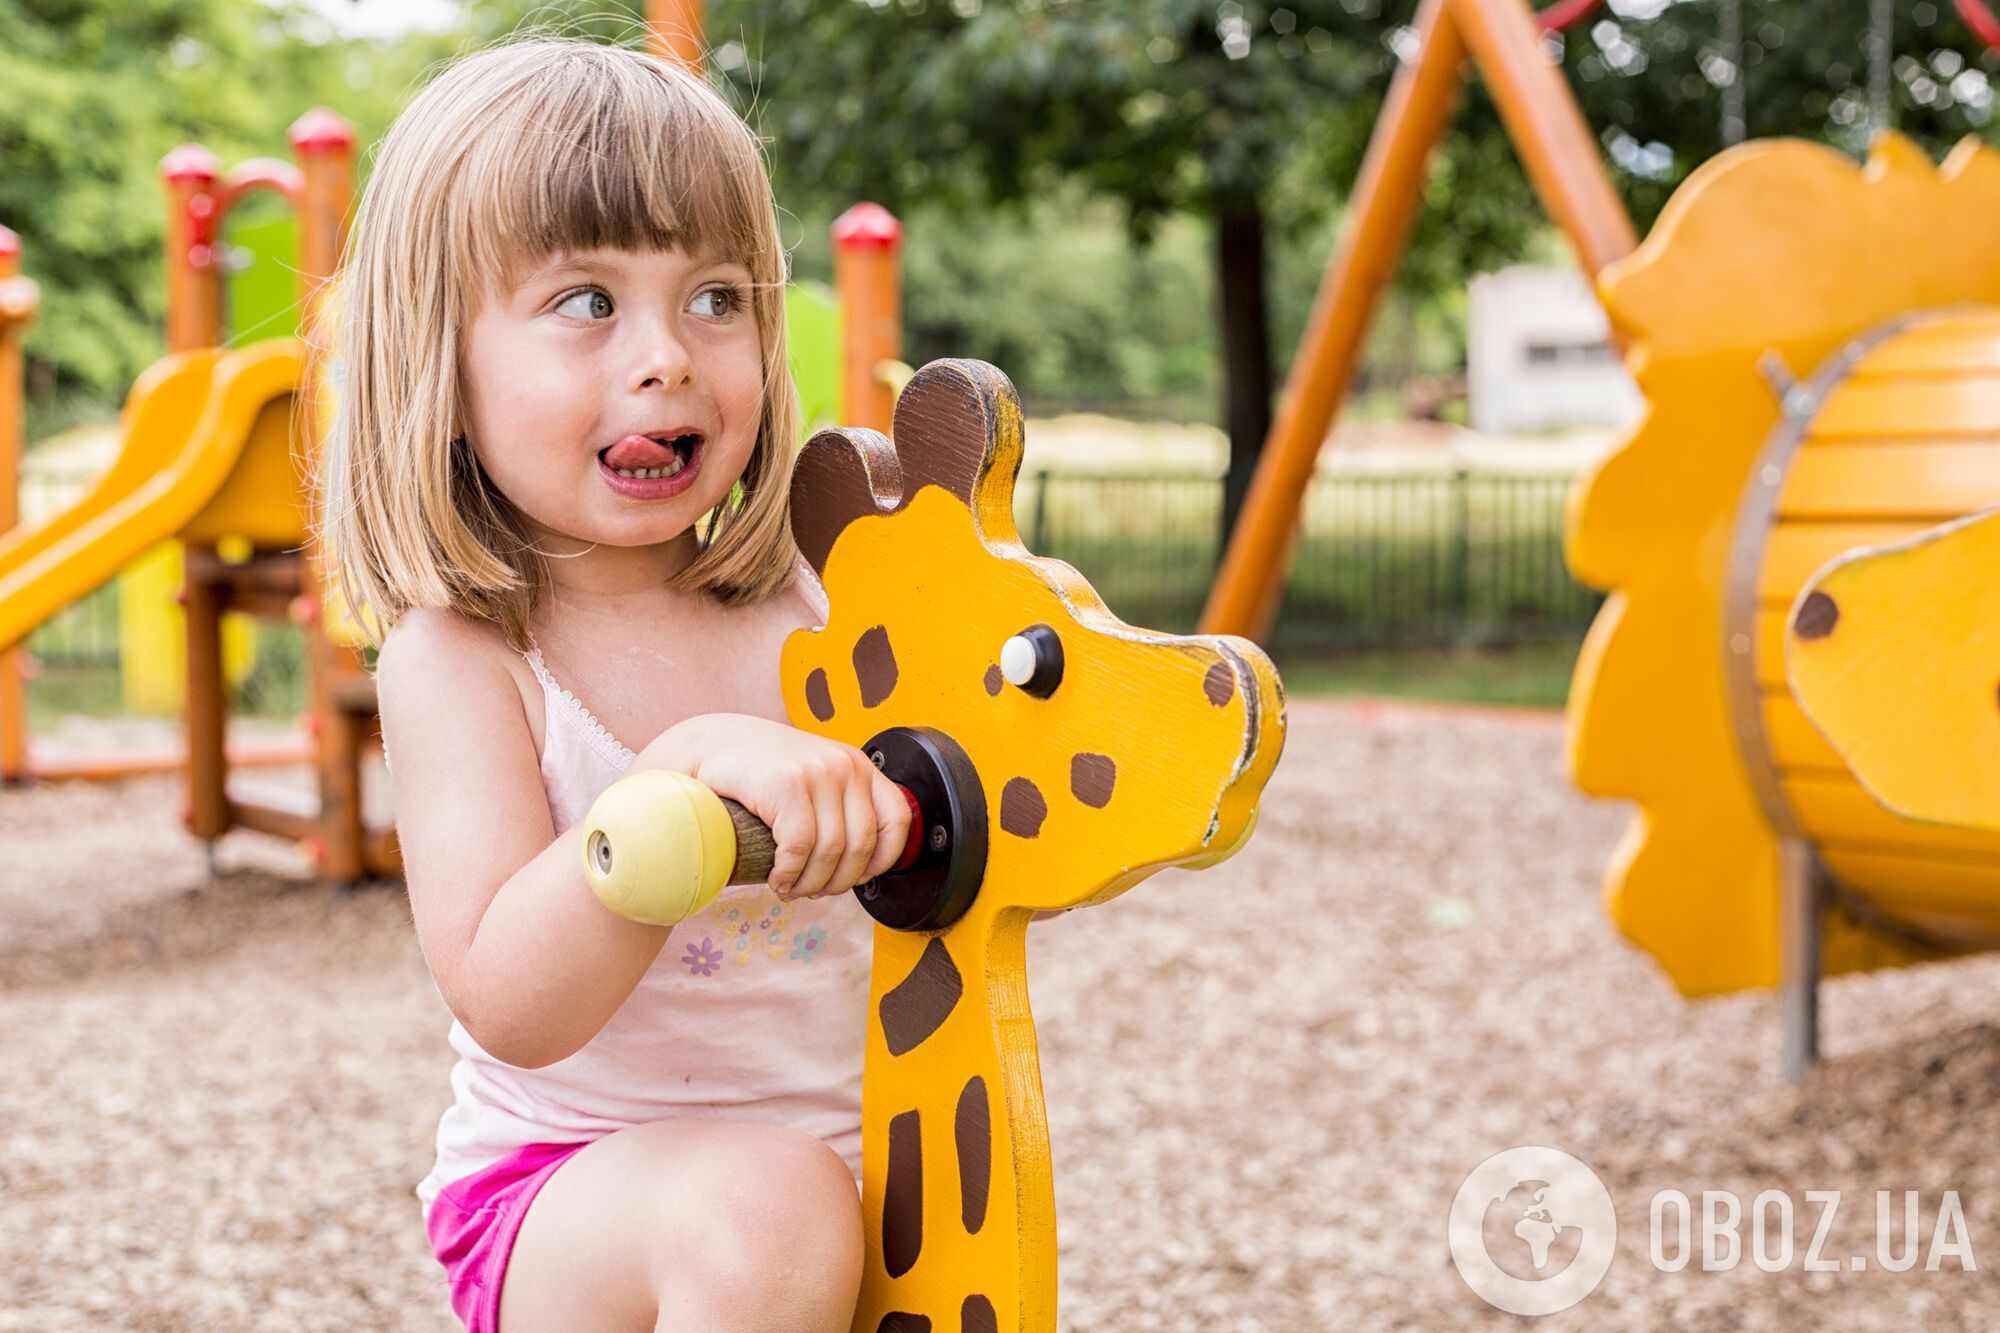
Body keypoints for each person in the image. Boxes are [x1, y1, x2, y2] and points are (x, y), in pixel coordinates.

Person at [318, 37, 904, 1333]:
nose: (668, 356)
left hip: (870, 1175)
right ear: (444, 367)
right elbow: (513, 1003)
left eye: (715, 296)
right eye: (587, 301)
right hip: (573, 1196)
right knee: (769, 1212)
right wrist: (675, 781)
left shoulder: (827, 608)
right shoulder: (469, 658)